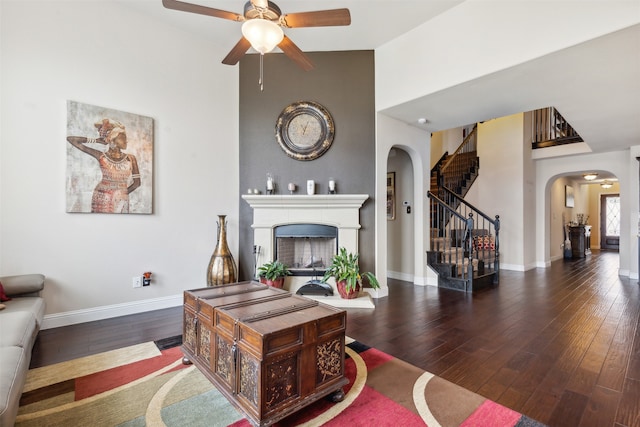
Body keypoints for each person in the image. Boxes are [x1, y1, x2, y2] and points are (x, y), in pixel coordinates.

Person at [67, 119, 141, 213]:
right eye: (123, 137)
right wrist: (96, 141)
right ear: (112, 139)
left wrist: (122, 194)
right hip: (102, 197)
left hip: (121, 198)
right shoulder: (101, 156)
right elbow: (71, 139)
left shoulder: (131, 158)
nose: (126, 141)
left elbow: (137, 183)